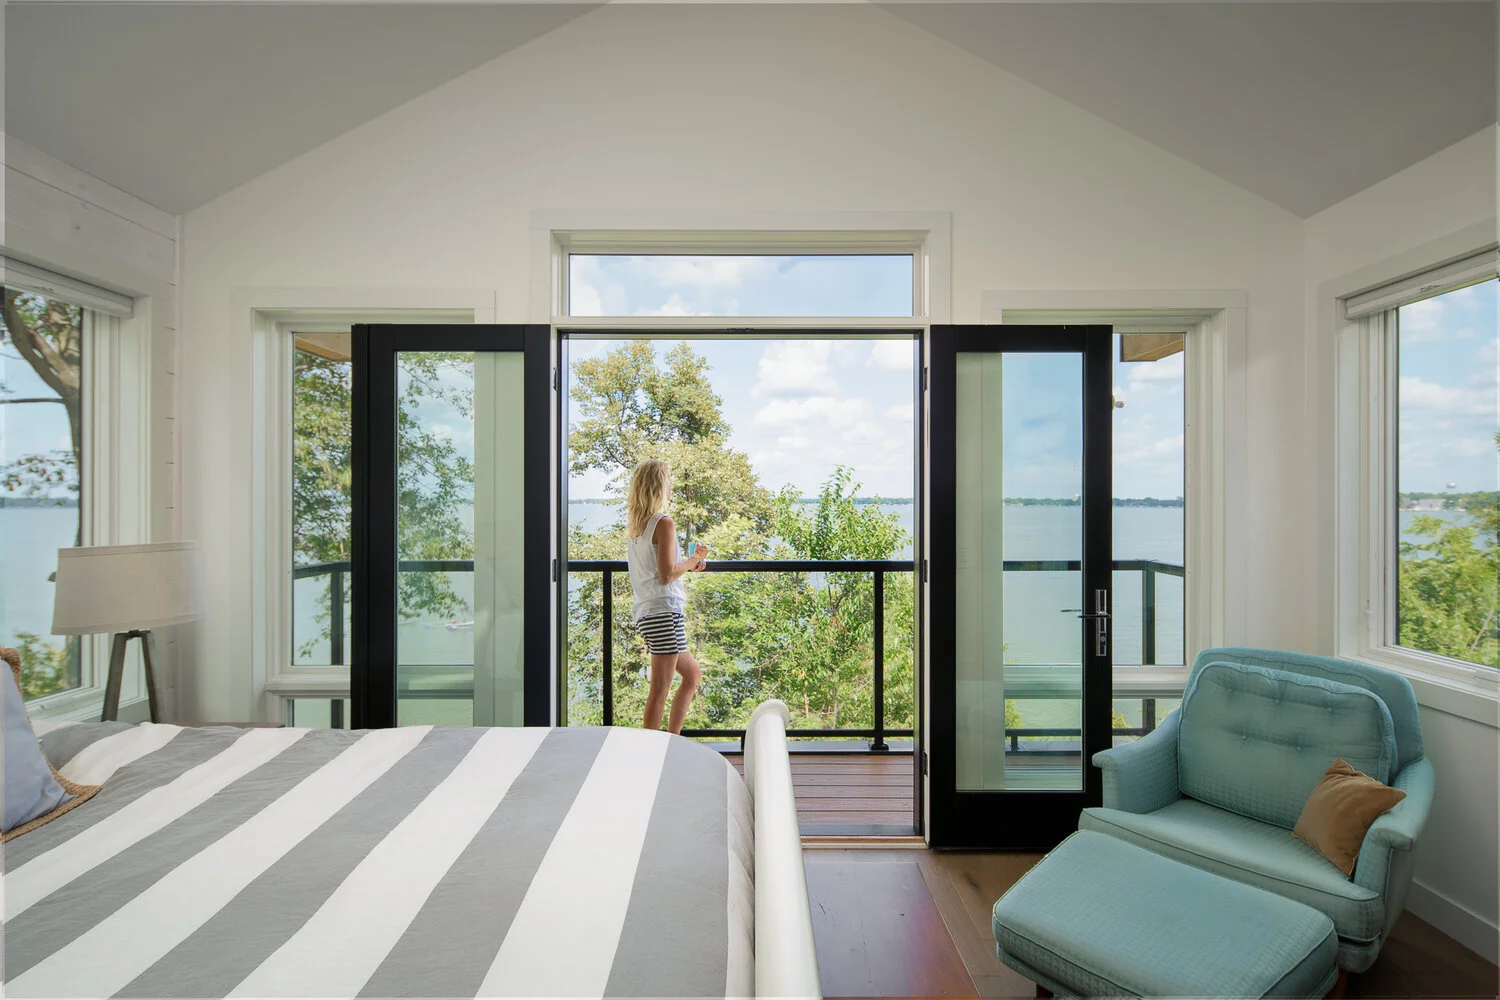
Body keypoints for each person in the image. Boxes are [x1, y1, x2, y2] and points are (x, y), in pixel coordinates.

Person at [625, 459, 708, 734]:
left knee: (692, 675)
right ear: (659, 486)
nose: (671, 485)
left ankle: (671, 742)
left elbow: (658, 572)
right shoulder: (663, 522)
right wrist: (692, 560)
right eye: (668, 481)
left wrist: (686, 565)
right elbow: (666, 574)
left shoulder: (637, 527)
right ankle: (652, 753)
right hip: (663, 613)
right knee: (659, 690)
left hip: (650, 612)